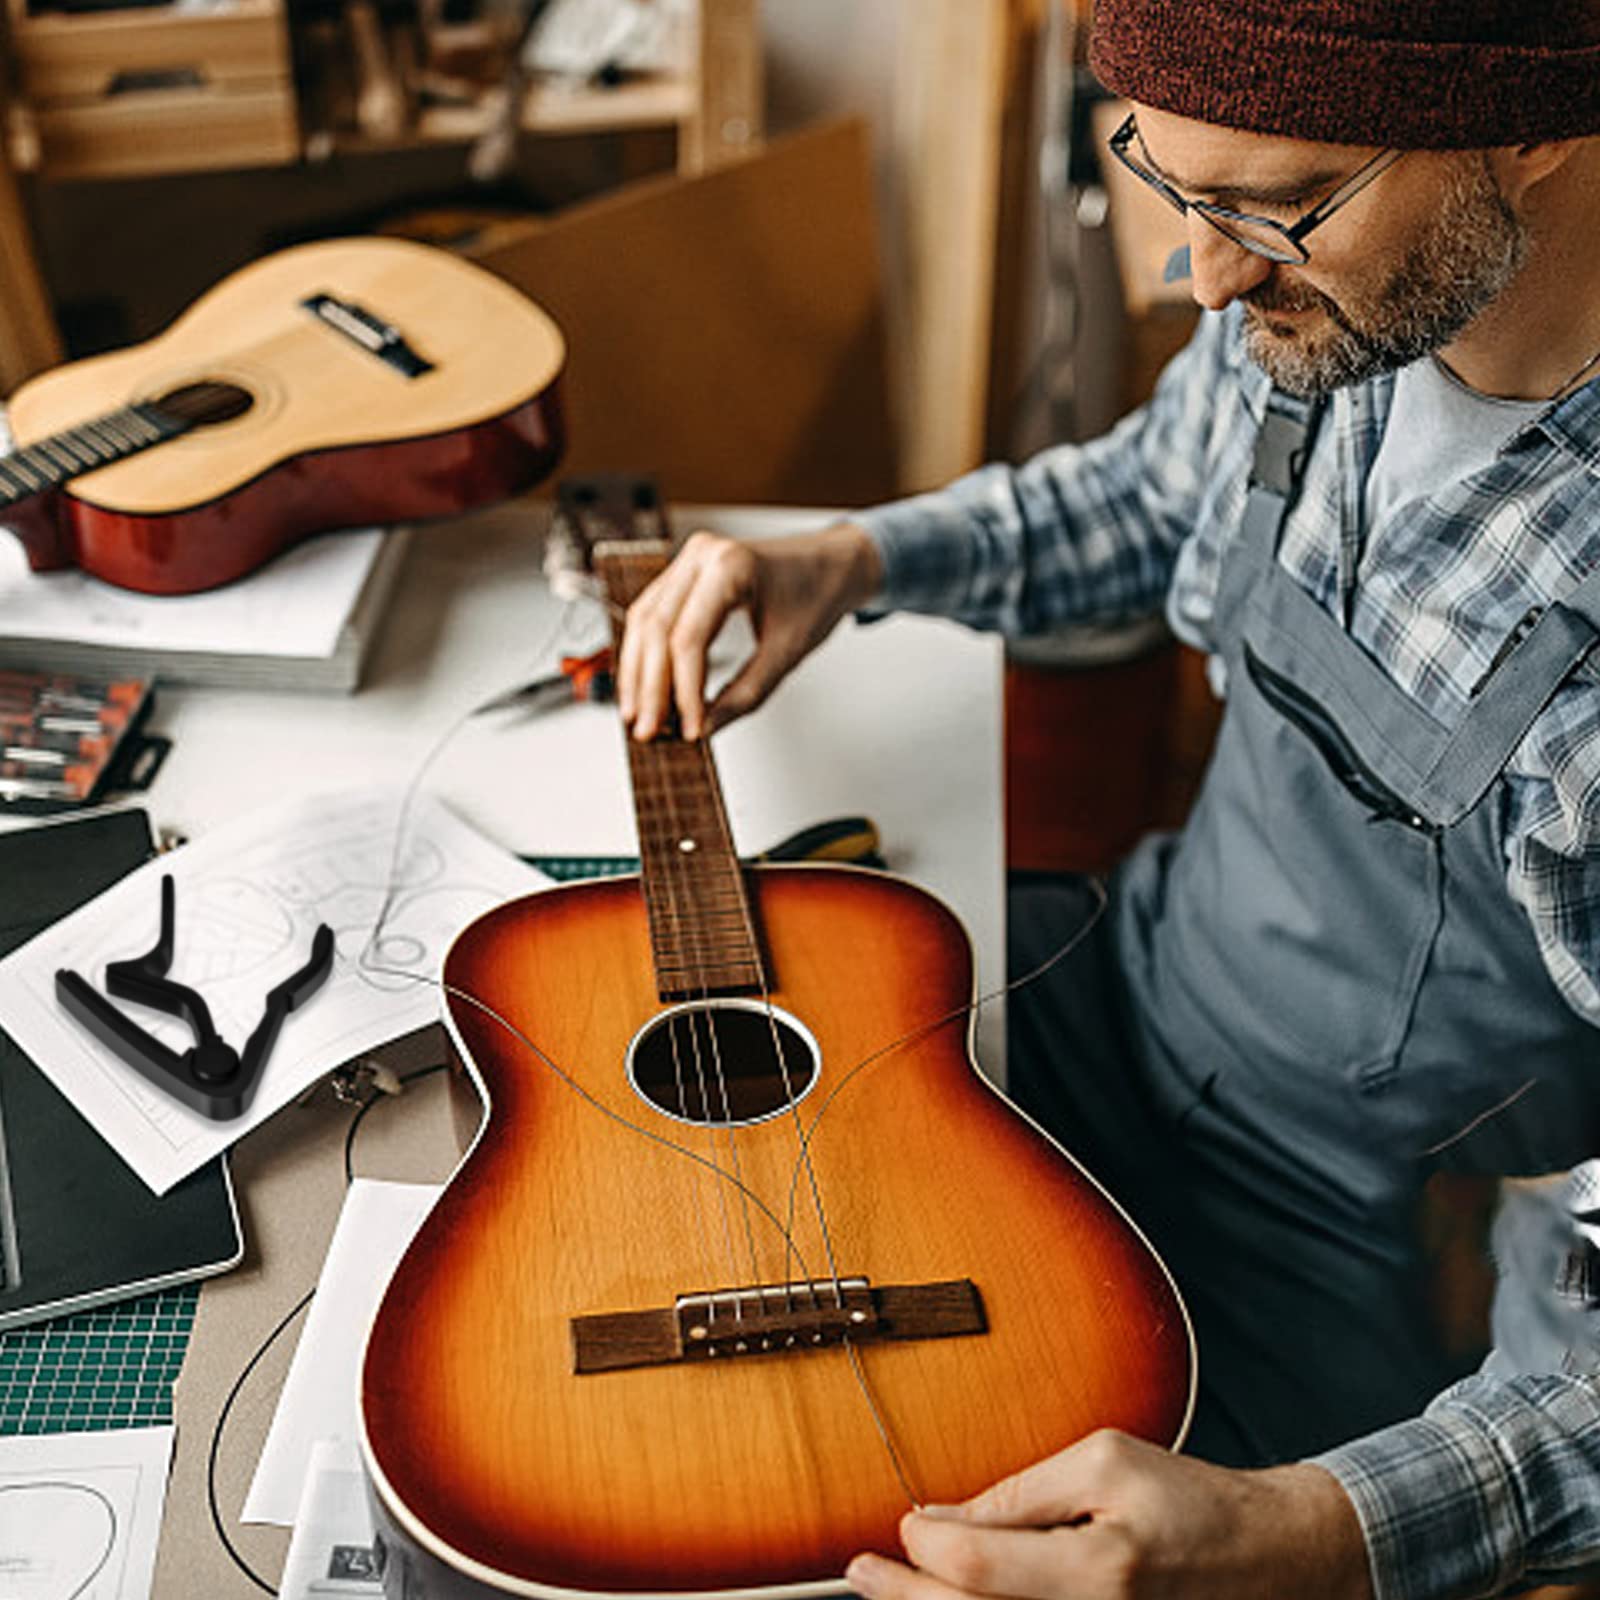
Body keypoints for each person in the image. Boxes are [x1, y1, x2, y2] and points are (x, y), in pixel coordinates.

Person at [615, 1, 1600, 1595]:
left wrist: (1313, 1532)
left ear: (1537, 123)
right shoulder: (1336, 306)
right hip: (1109, 990)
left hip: (1312, 1242)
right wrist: (857, 558)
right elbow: (1150, 497)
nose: (1202, 278)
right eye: (1168, 183)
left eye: (1273, 205)